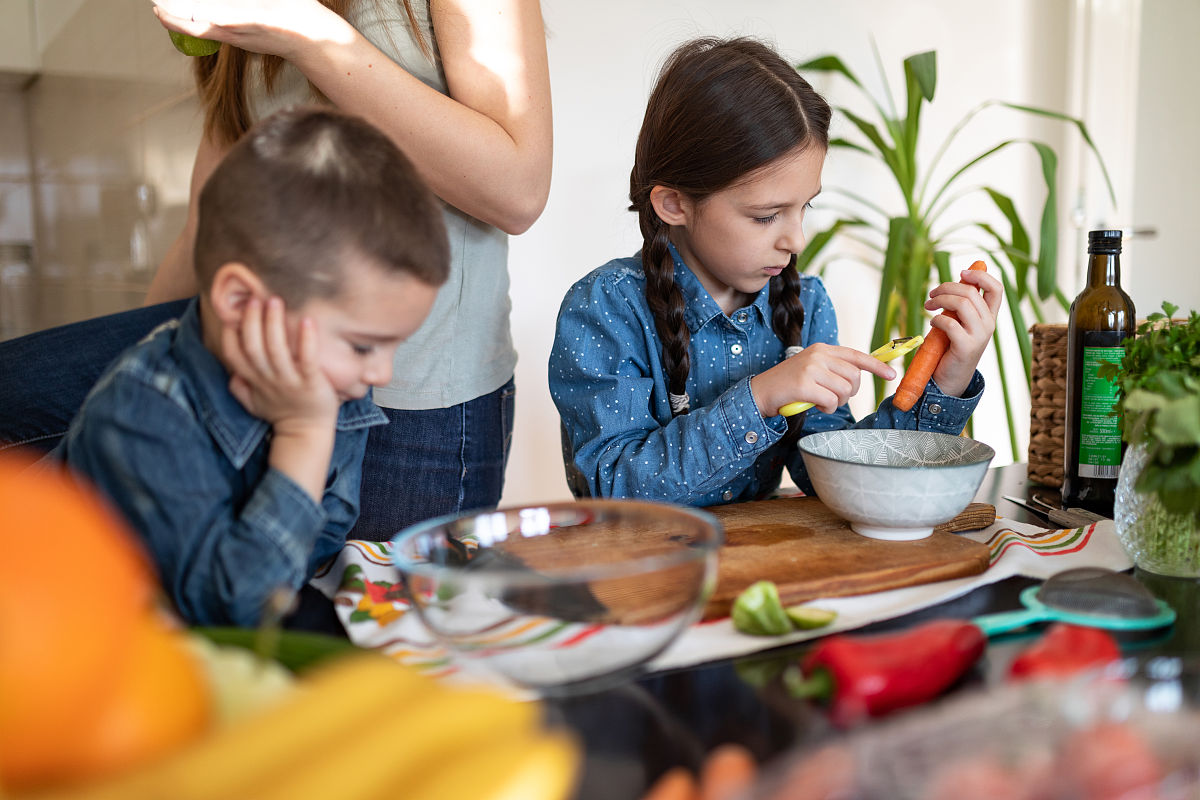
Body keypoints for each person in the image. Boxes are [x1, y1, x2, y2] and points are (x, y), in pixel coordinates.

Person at [0, 0, 552, 541]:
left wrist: (307, 35)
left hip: (408, 413)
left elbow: (517, 190)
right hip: (246, 368)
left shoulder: (293, 18)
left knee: (323, 614)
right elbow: (204, 227)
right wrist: (150, 372)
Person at [549, 37, 1003, 506]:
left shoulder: (806, 304)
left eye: (805, 207)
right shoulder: (606, 306)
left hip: (764, 569)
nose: (797, 240)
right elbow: (616, 488)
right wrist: (760, 398)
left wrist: (946, 382)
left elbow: (830, 477)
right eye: (766, 216)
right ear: (674, 203)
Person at [53, 107, 448, 627]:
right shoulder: (139, 414)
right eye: (362, 345)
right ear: (240, 302)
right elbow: (233, 608)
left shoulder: (334, 383)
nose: (382, 375)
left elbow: (317, 543)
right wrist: (305, 436)